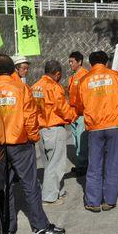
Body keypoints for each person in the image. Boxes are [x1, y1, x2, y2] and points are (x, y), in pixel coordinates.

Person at [0, 54, 65, 234]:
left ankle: (8, 226)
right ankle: (40, 225)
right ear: (12, 69)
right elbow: (30, 117)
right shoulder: (22, 88)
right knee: (30, 185)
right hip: (21, 143)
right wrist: (32, 138)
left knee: (3, 187)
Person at [75, 51, 118, 212]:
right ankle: (110, 200)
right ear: (106, 62)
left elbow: (79, 105)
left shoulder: (84, 80)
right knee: (113, 163)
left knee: (94, 164)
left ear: (90, 63)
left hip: (94, 127)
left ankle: (93, 201)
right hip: (115, 125)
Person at [32, 60, 77, 205]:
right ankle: (50, 196)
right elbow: (62, 108)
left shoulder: (34, 87)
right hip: (54, 127)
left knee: (48, 163)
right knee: (56, 164)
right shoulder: (54, 87)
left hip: (41, 129)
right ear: (57, 74)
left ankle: (59, 191)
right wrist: (73, 115)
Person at [67, 51, 89, 177]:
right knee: (76, 140)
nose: (70, 64)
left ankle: (84, 165)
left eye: (72, 62)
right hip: (73, 113)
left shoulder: (85, 75)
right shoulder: (73, 76)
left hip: (81, 114)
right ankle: (80, 164)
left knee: (82, 141)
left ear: (79, 62)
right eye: (69, 62)